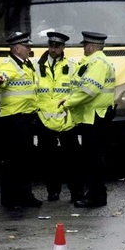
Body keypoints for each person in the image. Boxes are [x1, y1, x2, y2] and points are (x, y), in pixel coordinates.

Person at [59, 31, 116, 208]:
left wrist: (69, 102)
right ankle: (94, 194)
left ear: (91, 47)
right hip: (92, 116)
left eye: (85, 45)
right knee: (92, 157)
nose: (83, 48)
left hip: (95, 116)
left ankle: (96, 197)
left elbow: (89, 90)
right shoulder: (94, 61)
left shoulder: (97, 63)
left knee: (94, 159)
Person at [0, 31, 42, 208]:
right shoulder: (9, 65)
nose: (29, 49)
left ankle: (25, 196)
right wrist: (0, 80)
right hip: (13, 119)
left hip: (25, 118)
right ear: (16, 48)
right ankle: (9, 199)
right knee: (12, 160)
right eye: (26, 46)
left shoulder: (26, 65)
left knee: (24, 160)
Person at [35, 31, 83, 203]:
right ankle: (53, 191)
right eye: (51, 45)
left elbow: (77, 90)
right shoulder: (36, 66)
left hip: (66, 119)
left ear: (63, 47)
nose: (53, 49)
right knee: (48, 159)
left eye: (57, 46)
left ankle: (76, 193)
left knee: (72, 159)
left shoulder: (72, 66)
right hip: (45, 119)